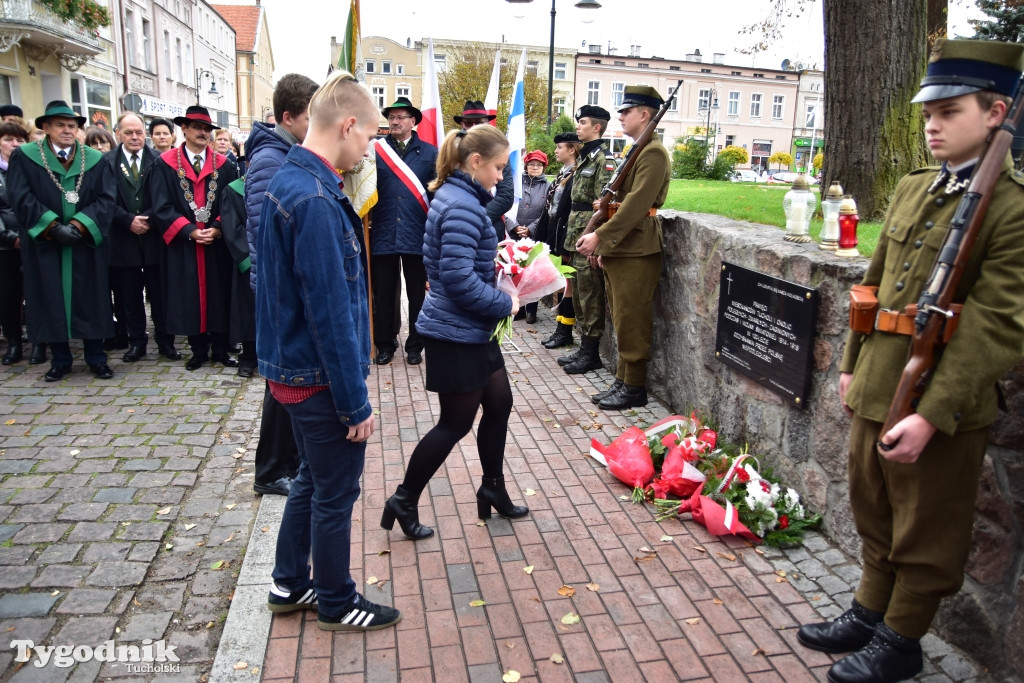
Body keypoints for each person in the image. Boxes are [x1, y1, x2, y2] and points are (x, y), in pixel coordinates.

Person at [795, 39, 1024, 683]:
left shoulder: (1012, 209)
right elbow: (871, 284)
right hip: (877, 380)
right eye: (930, 111)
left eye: (950, 111)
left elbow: (996, 325)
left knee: (926, 528)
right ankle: (869, 612)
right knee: (873, 506)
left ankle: (900, 641)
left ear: (998, 111)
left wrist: (932, 412)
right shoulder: (913, 187)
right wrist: (850, 359)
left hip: (940, 402)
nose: (932, 123)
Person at [258, 71, 401, 632]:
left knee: (313, 481)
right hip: (318, 378)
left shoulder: (292, 180)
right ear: (346, 126)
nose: (368, 147)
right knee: (334, 490)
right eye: (367, 136)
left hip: (294, 370)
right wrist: (353, 404)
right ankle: (337, 600)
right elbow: (330, 314)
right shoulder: (314, 196)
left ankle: (289, 582)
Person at [381, 124, 527, 541]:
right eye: (498, 168)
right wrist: (507, 303)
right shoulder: (463, 206)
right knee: (454, 424)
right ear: (475, 162)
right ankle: (404, 499)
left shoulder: (457, 195)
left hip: (471, 329)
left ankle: (492, 487)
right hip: (455, 332)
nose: (502, 177)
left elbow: (455, 267)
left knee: (499, 403)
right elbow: (459, 279)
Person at [244, 73, 318, 497]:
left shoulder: (284, 152)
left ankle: (283, 462)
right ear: (288, 117)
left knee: (288, 381)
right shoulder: (272, 160)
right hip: (278, 292)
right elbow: (263, 233)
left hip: (282, 290)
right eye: (310, 117)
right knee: (282, 384)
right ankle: (271, 469)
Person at [7, 100, 117, 380]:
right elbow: (20, 197)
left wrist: (80, 226)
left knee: (91, 297)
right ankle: (60, 359)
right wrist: (52, 227)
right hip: (46, 243)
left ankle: (96, 356)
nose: (67, 130)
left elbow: (106, 199)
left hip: (85, 243)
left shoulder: (94, 158)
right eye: (60, 125)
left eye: (72, 125)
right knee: (49, 298)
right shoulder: (26, 156)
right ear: (45, 127)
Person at [577, 87, 670, 410]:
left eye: (626, 111)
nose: (620, 116)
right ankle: (621, 379)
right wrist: (607, 245)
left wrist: (600, 236)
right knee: (620, 318)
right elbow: (616, 200)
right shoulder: (637, 150)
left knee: (633, 319)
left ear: (645, 114)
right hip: (622, 248)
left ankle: (634, 387)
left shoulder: (653, 153)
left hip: (638, 248)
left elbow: (636, 204)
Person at [148, 105, 239, 371]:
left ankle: (221, 349)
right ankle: (198, 350)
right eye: (197, 127)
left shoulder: (225, 166)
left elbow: (231, 203)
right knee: (189, 296)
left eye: (207, 129)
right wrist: (189, 230)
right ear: (184, 129)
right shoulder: (164, 164)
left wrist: (219, 227)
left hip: (216, 243)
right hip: (184, 244)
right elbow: (160, 206)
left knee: (219, 294)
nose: (203, 133)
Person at [104, 112, 180, 363]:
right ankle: (137, 342)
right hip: (123, 240)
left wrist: (147, 218)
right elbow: (104, 199)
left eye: (138, 132)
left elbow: (166, 198)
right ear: (118, 134)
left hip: (154, 238)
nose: (135, 137)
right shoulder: (107, 162)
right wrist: (127, 220)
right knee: (129, 297)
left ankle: (165, 341)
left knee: (160, 296)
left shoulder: (159, 160)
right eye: (129, 133)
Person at [370, 96, 438, 366]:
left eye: (400, 117)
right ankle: (385, 344)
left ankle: (415, 345)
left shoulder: (431, 153)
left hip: (417, 233)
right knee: (384, 294)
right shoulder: (374, 151)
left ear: (413, 121)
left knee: (417, 295)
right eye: (391, 117)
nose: (394, 121)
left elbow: (436, 193)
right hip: (383, 231)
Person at [557, 105, 611, 374]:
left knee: (590, 294)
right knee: (578, 292)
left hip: (589, 233)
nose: (578, 126)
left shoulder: (603, 159)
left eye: (583, 122)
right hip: (576, 231)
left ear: (597, 128)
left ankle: (591, 354)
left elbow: (604, 204)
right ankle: (583, 348)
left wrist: (597, 239)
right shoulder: (586, 157)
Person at [536, 132, 581, 349]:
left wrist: (564, 242)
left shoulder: (575, 174)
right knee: (562, 284)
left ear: (572, 149)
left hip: (564, 235)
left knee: (568, 284)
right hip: (554, 233)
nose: (556, 150)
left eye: (560, 147)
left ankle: (566, 331)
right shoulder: (564, 173)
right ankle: (560, 328)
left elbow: (569, 211)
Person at [454, 101, 514, 251]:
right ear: (462, 124)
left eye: (479, 124)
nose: (474, 128)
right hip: (458, 227)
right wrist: (464, 219)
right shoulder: (451, 154)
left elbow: (506, 196)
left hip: (491, 227)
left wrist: (477, 218)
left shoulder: (499, 153)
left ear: (487, 124)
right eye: (469, 123)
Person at [503, 149, 550, 324]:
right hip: (513, 233)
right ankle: (518, 308)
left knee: (533, 274)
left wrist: (531, 228)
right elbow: (505, 204)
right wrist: (513, 226)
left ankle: (532, 310)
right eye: (532, 164)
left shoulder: (548, 186)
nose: (535, 168)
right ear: (526, 165)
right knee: (515, 272)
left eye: (539, 165)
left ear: (544, 167)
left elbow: (546, 212)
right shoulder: (515, 182)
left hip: (535, 235)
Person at [220, 176, 255, 377]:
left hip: (278, 258)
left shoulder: (281, 182)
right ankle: (249, 357)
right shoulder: (234, 190)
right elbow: (232, 228)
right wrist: (248, 258)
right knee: (248, 309)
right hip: (249, 259)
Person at [0, 121, 26, 365]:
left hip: (35, 240)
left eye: (19, 139)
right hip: (6, 245)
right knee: (9, 295)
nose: (15, 144)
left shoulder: (31, 169)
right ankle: (14, 341)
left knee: (37, 294)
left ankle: (40, 343)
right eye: (8, 139)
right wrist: (10, 237)